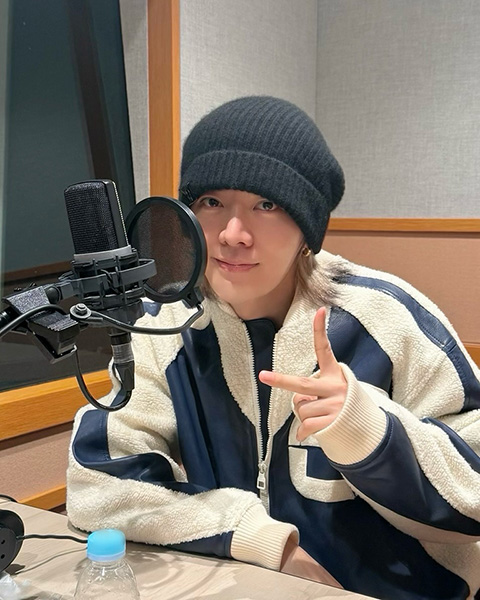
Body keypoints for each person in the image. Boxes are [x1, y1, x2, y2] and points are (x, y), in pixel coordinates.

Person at [66, 96, 480, 600]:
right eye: (211, 202)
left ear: (308, 228)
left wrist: (371, 434)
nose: (232, 234)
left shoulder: (388, 318)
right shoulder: (166, 326)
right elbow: (99, 485)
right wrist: (260, 539)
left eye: (267, 204)